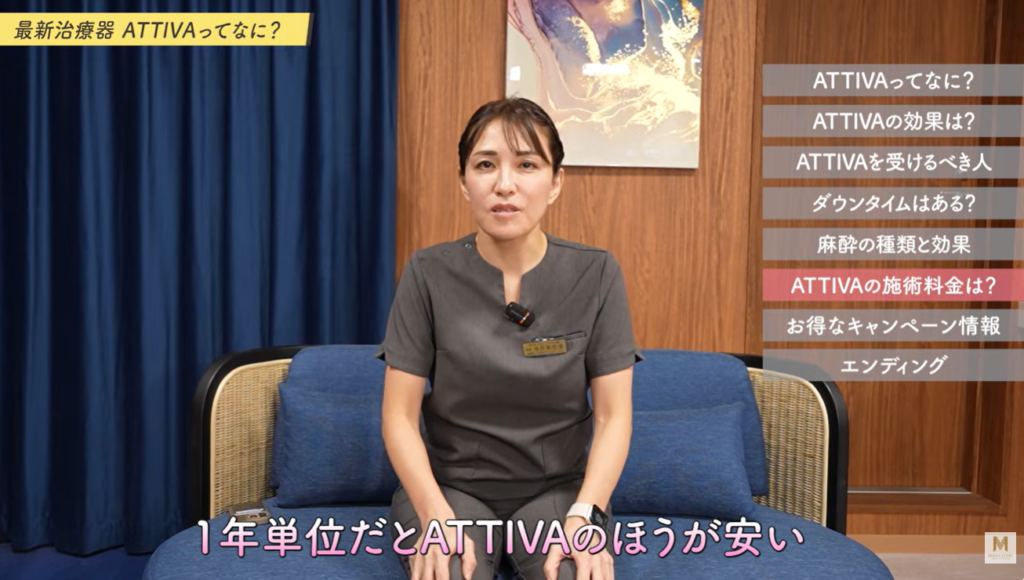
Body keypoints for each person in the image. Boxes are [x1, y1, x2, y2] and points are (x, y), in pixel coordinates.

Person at [376, 97, 642, 580]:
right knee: (449, 571)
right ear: (464, 182)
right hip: (450, 490)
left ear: (556, 182)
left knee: (571, 573)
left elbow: (613, 416)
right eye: (485, 165)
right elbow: (398, 415)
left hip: (559, 492)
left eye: (526, 165)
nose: (504, 184)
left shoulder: (597, 273)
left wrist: (586, 516)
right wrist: (435, 515)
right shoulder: (427, 273)